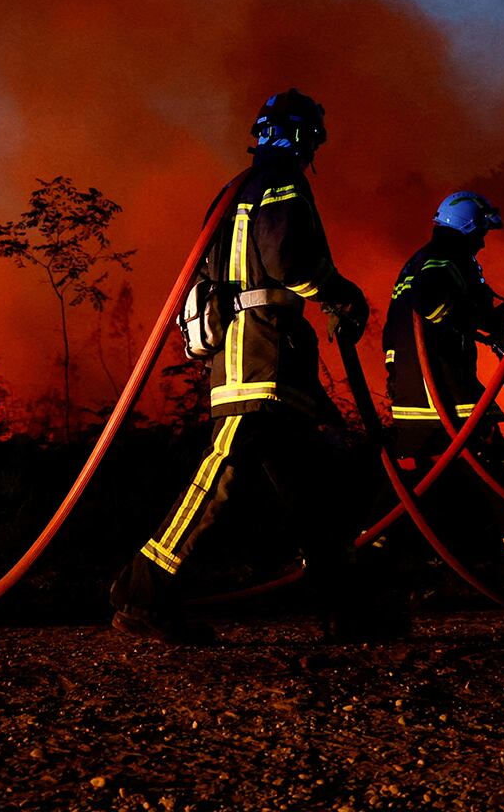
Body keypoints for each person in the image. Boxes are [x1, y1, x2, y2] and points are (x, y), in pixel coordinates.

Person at [109, 89, 372, 643]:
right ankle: (144, 592)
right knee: (219, 478)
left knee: (311, 492)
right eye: (313, 143)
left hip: (269, 360)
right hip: (258, 359)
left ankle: (350, 610)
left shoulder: (235, 192)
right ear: (305, 139)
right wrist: (340, 294)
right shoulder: (283, 184)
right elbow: (288, 261)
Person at [381, 191, 504, 575]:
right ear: (468, 227)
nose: (484, 240)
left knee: (410, 478)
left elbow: (394, 328)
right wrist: (479, 323)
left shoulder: (417, 261)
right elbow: (431, 302)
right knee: (496, 469)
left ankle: (374, 552)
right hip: (447, 388)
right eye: (482, 231)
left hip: (412, 391)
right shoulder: (446, 260)